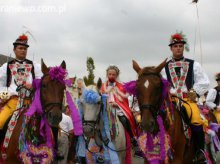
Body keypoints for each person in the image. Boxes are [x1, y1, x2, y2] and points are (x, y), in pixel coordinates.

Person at [162, 32, 210, 163]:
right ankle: (151, 148)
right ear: (171, 48)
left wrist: (195, 91)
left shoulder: (194, 64)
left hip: (187, 99)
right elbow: (160, 83)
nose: (178, 48)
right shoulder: (164, 67)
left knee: (196, 118)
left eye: (180, 46)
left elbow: (204, 81)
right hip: (170, 100)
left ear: (183, 48)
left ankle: (200, 151)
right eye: (175, 46)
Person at [0, 34, 42, 130]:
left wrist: (33, 85)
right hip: (12, 103)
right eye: (20, 48)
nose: (23, 50)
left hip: (31, 104)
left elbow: (42, 82)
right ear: (14, 50)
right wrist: (3, 94)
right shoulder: (6, 66)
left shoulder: (35, 66)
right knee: (0, 122)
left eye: (25, 49)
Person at [101, 65, 142, 157]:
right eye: (109, 74)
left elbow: (124, 101)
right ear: (107, 75)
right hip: (105, 111)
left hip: (119, 110)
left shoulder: (122, 87)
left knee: (125, 120)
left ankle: (133, 140)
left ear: (117, 75)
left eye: (113, 74)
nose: (111, 76)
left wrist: (117, 104)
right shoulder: (103, 86)